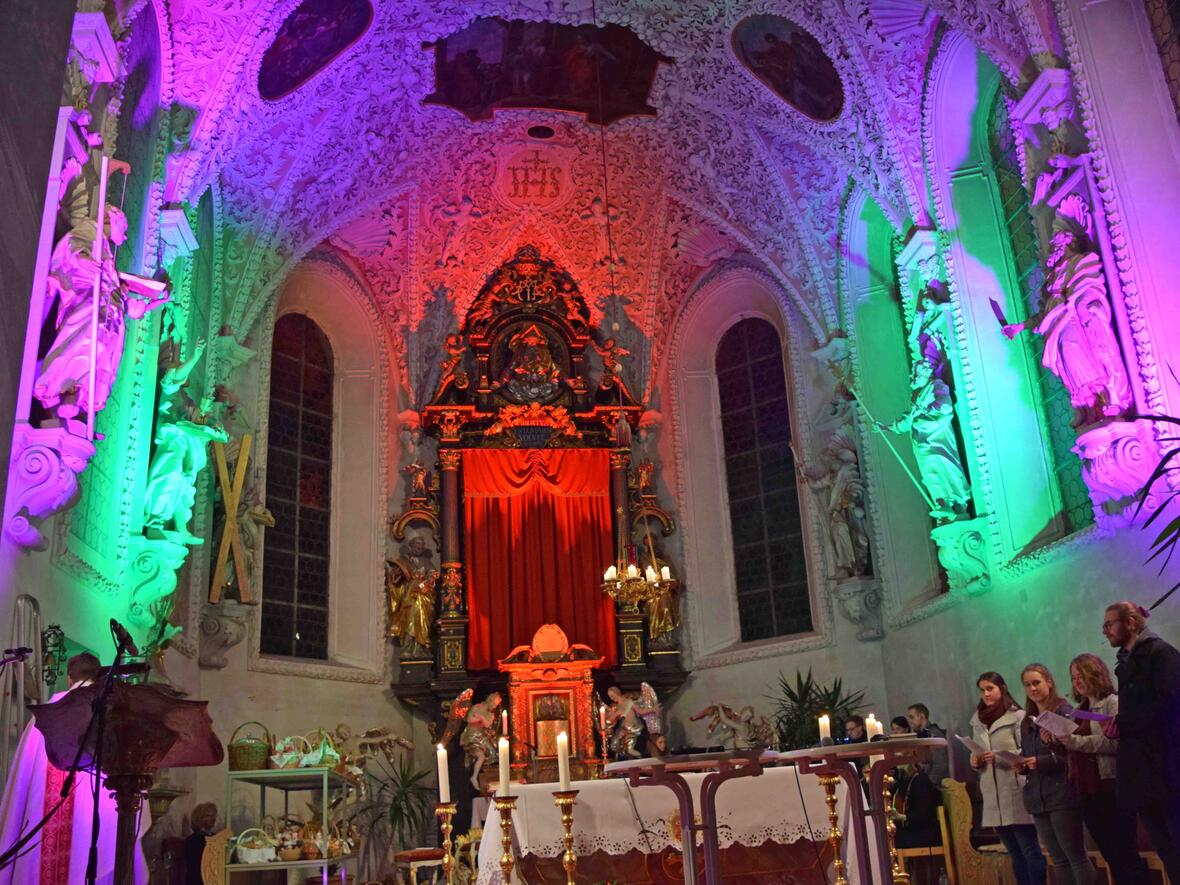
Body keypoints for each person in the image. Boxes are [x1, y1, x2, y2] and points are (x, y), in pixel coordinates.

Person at [0, 653, 150, 884]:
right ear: (100, 675)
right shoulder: (112, 714)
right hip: (94, 825)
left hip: (44, 835)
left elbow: (20, 785)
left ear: (69, 679)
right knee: (98, 852)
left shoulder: (43, 716)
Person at [1101, 601, 1180, 881]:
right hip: (1141, 770)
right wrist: (1117, 727)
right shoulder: (1125, 662)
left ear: (1131, 623)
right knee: (1165, 847)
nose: (1105, 631)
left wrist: (1124, 722)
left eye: (1110, 624)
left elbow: (1169, 703)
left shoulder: (1160, 653)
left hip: (1165, 764)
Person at [1061, 653, 1148, 883]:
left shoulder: (1112, 702)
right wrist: (1057, 740)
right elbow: (1073, 749)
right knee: (1110, 855)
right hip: (1087, 789)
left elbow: (1116, 743)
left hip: (1112, 786)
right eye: (1073, 677)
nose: (1077, 681)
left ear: (1095, 674)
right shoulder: (1079, 708)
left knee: (1125, 854)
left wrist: (1074, 742)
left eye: (1081, 675)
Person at [1018, 664, 1096, 885]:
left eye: (1037, 683)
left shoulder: (1064, 711)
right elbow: (1027, 754)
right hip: (1037, 796)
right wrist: (1022, 764)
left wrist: (1039, 761)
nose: (1033, 688)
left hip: (1063, 793)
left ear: (1049, 682)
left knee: (1076, 857)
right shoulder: (1028, 720)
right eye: (1027, 684)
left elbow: (1073, 755)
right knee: (1058, 860)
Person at [969, 671, 1045, 885]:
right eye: (982, 690)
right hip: (993, 794)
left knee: (1029, 850)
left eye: (990, 688)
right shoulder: (978, 720)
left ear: (1001, 688)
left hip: (1014, 790)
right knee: (1013, 852)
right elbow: (975, 750)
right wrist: (974, 761)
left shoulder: (1017, 716)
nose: (986, 694)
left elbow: (1026, 750)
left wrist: (1000, 758)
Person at [906, 703, 949, 783]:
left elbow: (940, 765)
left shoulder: (934, 735)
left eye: (912, 717)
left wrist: (928, 784)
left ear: (921, 716)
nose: (910, 722)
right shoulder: (919, 735)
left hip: (933, 783)